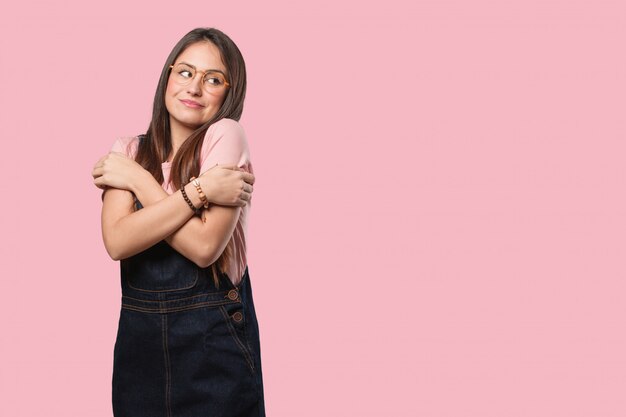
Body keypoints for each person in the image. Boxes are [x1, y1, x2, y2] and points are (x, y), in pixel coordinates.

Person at [91, 27, 266, 417]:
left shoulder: (225, 134)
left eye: (213, 79)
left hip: (214, 349)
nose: (195, 87)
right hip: (140, 354)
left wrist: (137, 179)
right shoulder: (130, 149)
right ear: (167, 77)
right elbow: (117, 242)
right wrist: (201, 192)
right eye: (185, 72)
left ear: (229, 92)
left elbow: (204, 248)